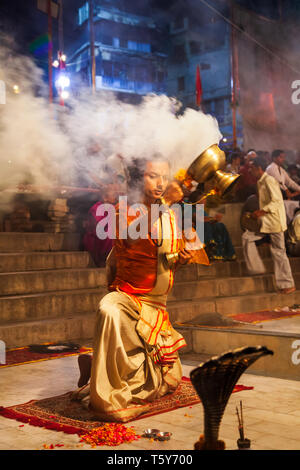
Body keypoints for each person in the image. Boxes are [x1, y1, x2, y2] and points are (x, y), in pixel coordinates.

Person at [72, 156, 192, 422]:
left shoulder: (172, 216)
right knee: (108, 310)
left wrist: (182, 258)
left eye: (164, 175)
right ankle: (108, 401)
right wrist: (166, 205)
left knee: (166, 382)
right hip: (130, 298)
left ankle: (95, 369)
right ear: (139, 179)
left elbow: (168, 262)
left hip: (158, 308)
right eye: (152, 176)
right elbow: (132, 236)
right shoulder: (123, 211)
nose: (160, 183)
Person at [242, 156, 295, 294]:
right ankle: (257, 268)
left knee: (279, 252)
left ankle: (288, 284)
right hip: (266, 222)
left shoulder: (270, 180)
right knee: (247, 237)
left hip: (275, 222)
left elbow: (277, 201)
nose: (250, 171)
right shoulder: (261, 181)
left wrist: (261, 211)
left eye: (252, 169)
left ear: (259, 169)